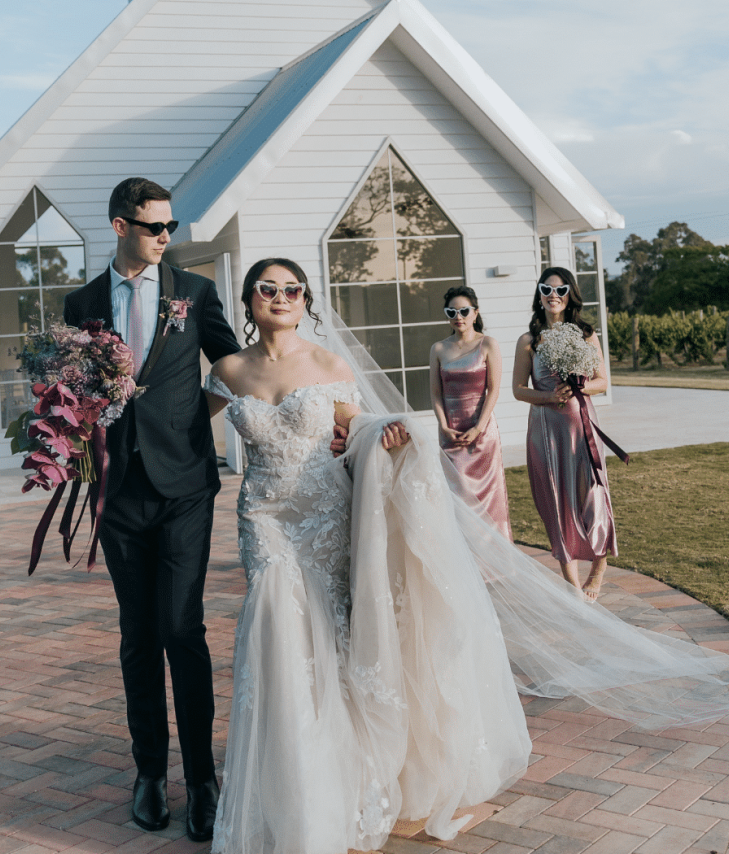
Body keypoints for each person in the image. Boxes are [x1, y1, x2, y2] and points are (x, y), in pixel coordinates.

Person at [204, 259, 532, 854]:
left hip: (325, 515)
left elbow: (356, 422)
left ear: (305, 300)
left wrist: (391, 431)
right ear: (248, 299)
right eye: (267, 289)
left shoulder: (329, 364)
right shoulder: (226, 370)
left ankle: (345, 780)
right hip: (265, 519)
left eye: (292, 289)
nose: (281, 297)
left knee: (332, 638)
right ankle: (294, 794)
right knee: (277, 634)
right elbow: (182, 429)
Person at [62, 177, 239, 842]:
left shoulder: (193, 293)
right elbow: (68, 385)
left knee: (180, 627)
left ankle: (201, 779)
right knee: (138, 632)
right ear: (119, 227)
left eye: (170, 227)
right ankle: (147, 773)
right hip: (116, 489)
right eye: (154, 227)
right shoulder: (81, 302)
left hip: (186, 485)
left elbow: (235, 364)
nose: (167, 237)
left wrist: (204, 414)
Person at [512, 267, 614, 599]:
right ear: (539, 295)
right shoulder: (529, 340)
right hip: (545, 430)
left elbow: (602, 381)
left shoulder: (585, 335)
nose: (553, 295)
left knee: (592, 496)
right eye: (547, 289)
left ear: (570, 294)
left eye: (560, 289)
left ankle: (598, 571)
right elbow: (517, 389)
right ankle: (572, 585)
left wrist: (577, 387)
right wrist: (548, 397)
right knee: (556, 502)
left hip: (581, 426)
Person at [429, 286, 508, 537]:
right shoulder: (438, 349)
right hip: (450, 433)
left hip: (482, 434)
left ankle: (495, 566)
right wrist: (442, 425)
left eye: (464, 311)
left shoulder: (488, 344)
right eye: (451, 311)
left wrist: (478, 427)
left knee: (488, 502)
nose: (458, 316)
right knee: (456, 501)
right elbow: (436, 394)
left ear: (475, 313)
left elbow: (494, 391)